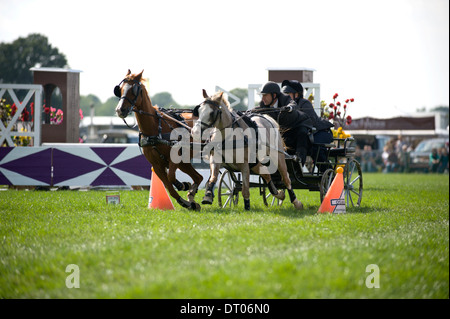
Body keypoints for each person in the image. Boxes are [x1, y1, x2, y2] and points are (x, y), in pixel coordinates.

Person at [255, 81, 313, 165]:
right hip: (284, 127)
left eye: (265, 95)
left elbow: (293, 103)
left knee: (302, 133)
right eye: (262, 95)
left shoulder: (284, 98)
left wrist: (289, 107)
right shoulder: (263, 104)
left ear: (274, 95)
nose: (263, 98)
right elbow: (257, 109)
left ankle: (300, 158)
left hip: (299, 124)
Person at [281, 80, 334, 171]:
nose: (284, 96)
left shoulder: (304, 103)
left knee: (315, 149)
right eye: (284, 94)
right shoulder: (284, 106)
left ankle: (328, 174)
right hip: (308, 134)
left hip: (321, 132)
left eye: (287, 94)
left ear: (296, 95)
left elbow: (310, 122)